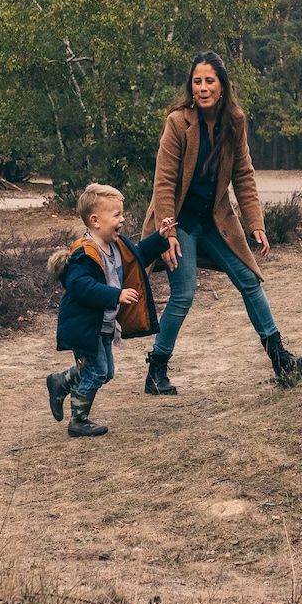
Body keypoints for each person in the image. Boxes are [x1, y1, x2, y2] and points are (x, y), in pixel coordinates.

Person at [140, 51, 302, 394]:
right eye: (197, 81)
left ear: (222, 86)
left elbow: (244, 175)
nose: (202, 88)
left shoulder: (235, 121)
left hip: (215, 223)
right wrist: (168, 233)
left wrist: (255, 225)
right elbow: (163, 182)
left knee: (250, 280)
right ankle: (156, 369)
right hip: (180, 224)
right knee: (184, 294)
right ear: (191, 87)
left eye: (210, 81)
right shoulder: (178, 123)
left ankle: (279, 357)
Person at [46, 182, 177, 438]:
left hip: (104, 324)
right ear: (95, 221)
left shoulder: (116, 247)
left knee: (106, 373)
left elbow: (137, 256)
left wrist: (159, 240)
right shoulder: (86, 253)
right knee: (97, 371)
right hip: (85, 326)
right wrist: (116, 295)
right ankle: (78, 421)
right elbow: (80, 286)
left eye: (122, 213)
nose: (123, 219)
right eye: (116, 215)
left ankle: (62, 381)